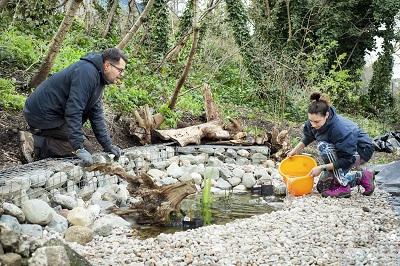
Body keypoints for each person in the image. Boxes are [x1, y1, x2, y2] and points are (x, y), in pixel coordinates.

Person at [20, 48, 128, 165]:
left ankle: (42, 136)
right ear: (107, 65)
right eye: (120, 70)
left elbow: (96, 115)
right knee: (86, 149)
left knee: (84, 147)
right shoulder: (86, 73)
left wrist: (108, 145)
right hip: (41, 114)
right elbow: (74, 110)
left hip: (55, 115)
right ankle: (35, 143)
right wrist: (78, 147)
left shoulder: (99, 78)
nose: (121, 74)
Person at [287, 92, 375, 198]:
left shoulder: (340, 129)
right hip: (341, 151)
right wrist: (295, 150)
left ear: (327, 115)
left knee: (323, 146)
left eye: (316, 122)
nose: (313, 125)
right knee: (322, 187)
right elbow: (309, 136)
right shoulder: (314, 120)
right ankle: (361, 177)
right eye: (311, 121)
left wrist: (322, 167)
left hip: (360, 150)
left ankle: (343, 186)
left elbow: (347, 160)